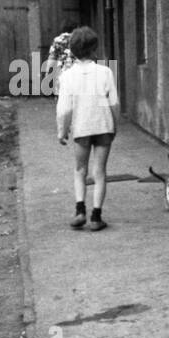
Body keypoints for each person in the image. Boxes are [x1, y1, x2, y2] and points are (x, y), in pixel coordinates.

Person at [56, 27, 118, 231]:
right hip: (103, 127)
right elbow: (114, 104)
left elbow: (64, 109)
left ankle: (79, 210)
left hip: (81, 128)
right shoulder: (105, 72)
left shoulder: (67, 76)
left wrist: (62, 131)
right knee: (99, 172)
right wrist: (114, 126)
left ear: (72, 51)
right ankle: (96, 216)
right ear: (94, 49)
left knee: (79, 170)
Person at [44, 21, 78, 93]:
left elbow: (52, 58)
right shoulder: (79, 39)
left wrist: (47, 73)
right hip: (76, 68)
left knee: (62, 94)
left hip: (61, 69)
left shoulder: (57, 40)